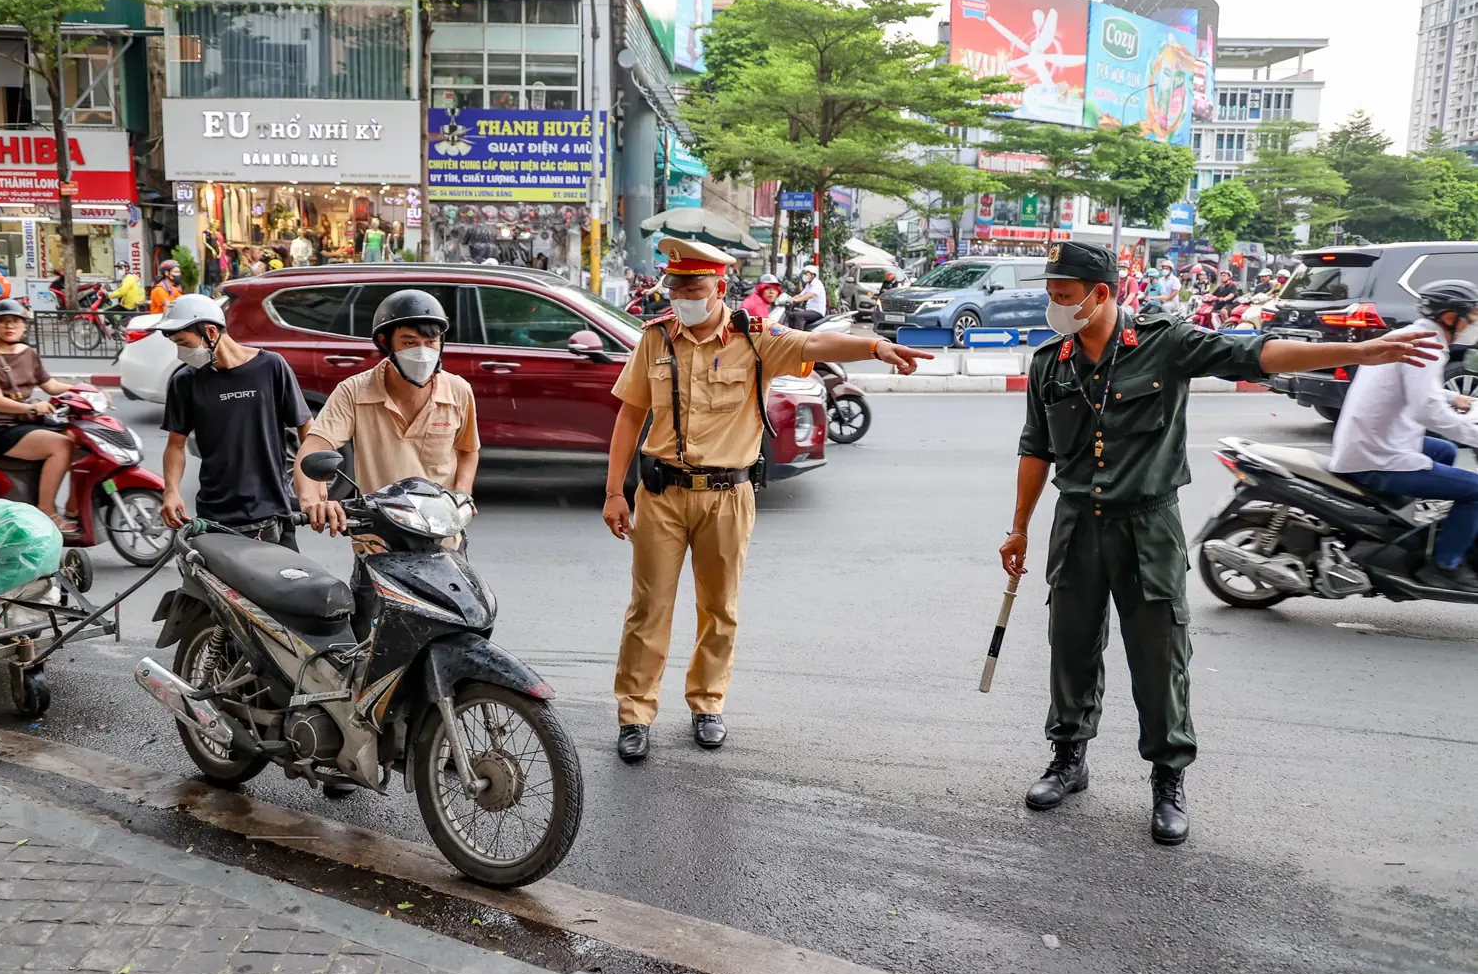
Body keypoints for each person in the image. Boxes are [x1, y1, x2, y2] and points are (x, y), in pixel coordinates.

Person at [1000, 241, 1439, 845]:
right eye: (1051, 295)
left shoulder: (1165, 342)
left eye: (1064, 297)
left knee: (1159, 654)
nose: (1054, 307)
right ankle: (1067, 758)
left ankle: (1167, 778)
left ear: (1100, 294)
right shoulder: (1050, 362)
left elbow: (1257, 353)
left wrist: (1360, 350)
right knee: (1070, 644)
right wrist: (1019, 526)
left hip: (1146, 524)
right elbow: (1035, 447)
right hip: (1076, 522)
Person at [603, 238, 933, 761]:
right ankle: (635, 713)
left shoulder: (756, 338)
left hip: (728, 496)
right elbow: (628, 414)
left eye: (695, 285)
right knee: (648, 608)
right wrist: (613, 492)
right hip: (662, 494)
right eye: (678, 285)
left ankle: (708, 704)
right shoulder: (657, 339)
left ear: (719, 286)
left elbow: (815, 346)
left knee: (719, 609)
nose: (685, 294)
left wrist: (875, 348)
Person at [295, 290, 480, 537]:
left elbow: (468, 449)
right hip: (377, 539)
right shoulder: (354, 391)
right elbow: (314, 449)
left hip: (442, 538)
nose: (423, 353)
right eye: (409, 343)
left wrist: (462, 493)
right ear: (385, 342)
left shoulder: (458, 391)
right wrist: (312, 502)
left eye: (431, 342)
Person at [1331, 280, 1478, 590]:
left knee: (1444, 453)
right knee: (1476, 491)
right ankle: (1445, 564)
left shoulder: (1411, 336)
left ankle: (1410, 524)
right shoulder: (1427, 345)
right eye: (1472, 316)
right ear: (1450, 317)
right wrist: (1473, 434)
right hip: (1376, 457)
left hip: (1372, 439)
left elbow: (1419, 390)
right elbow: (1426, 411)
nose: (1474, 323)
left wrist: (1454, 399)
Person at [158, 294, 313, 548]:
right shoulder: (185, 381)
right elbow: (175, 444)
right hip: (215, 517)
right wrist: (171, 491)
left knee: (291, 584)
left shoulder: (272, 367)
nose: (181, 353)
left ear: (210, 331)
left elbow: (306, 428)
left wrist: (312, 486)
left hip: (273, 511)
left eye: (184, 342)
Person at [0, 299, 83, 533]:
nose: (9, 326)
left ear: (24, 326)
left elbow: (50, 385)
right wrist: (30, 408)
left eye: (15, 321)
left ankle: (74, 506)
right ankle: (47, 511)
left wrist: (83, 390)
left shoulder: (29, 353)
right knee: (61, 446)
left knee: (81, 438)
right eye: (3, 321)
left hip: (26, 423)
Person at [790, 265, 827, 330]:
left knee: (799, 315)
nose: (805, 276)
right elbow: (801, 294)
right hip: (809, 311)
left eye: (807, 274)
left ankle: (799, 337)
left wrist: (798, 300)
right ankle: (791, 335)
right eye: (804, 274)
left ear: (813, 275)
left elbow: (811, 295)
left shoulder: (817, 283)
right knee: (791, 315)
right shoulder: (808, 285)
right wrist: (791, 298)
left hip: (817, 312)